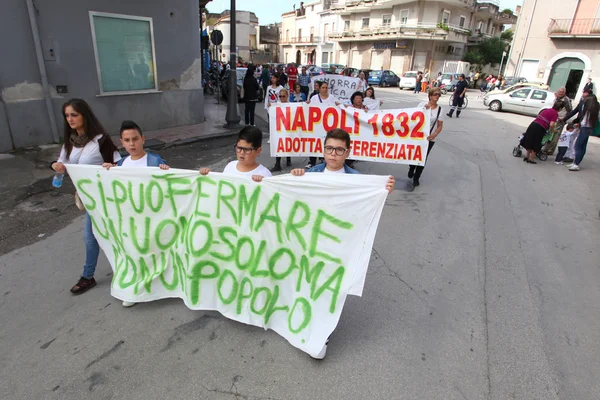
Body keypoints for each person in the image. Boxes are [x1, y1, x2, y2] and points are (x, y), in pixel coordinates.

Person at [51, 99, 121, 295]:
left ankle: (90, 276)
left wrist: (112, 167)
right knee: (95, 238)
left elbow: (119, 163)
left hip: (106, 198)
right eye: (67, 115)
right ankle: (92, 276)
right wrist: (55, 166)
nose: (70, 119)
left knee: (98, 237)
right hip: (88, 199)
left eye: (74, 115)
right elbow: (61, 163)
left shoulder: (101, 140)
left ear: (84, 115)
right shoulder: (70, 142)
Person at [101, 120, 169, 306]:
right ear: (121, 143)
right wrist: (108, 173)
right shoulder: (121, 164)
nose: (132, 144)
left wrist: (166, 172)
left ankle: (159, 285)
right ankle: (135, 290)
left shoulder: (155, 161)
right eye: (127, 140)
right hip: (129, 219)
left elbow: (170, 188)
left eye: (135, 139)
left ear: (143, 139)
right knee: (132, 254)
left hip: (151, 218)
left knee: (153, 252)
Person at [199, 126, 271, 181]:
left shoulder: (265, 175)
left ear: (258, 151)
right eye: (239, 148)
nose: (242, 153)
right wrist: (210, 175)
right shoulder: (230, 167)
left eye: (247, 150)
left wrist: (264, 184)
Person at [408, 87, 444, 187]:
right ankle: (411, 167)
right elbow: (412, 117)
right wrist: (423, 109)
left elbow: (440, 125)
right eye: (435, 94)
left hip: (429, 138)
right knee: (414, 155)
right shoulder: (422, 104)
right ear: (430, 95)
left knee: (423, 158)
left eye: (439, 95)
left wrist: (435, 134)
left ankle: (416, 177)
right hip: (417, 136)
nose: (437, 96)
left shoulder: (440, 109)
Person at [306, 81, 339, 169]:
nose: (325, 89)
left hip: (328, 125)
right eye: (323, 88)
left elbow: (338, 107)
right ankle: (312, 161)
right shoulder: (314, 98)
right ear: (319, 88)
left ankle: (324, 160)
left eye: (326, 88)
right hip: (316, 124)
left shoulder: (332, 98)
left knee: (326, 142)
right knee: (314, 142)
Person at [561, 94, 599, 170]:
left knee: (577, 146)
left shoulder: (587, 110)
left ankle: (576, 164)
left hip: (585, 128)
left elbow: (584, 121)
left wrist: (578, 126)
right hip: (588, 128)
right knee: (583, 146)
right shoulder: (594, 109)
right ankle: (576, 162)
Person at [541, 87, 572, 155]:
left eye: (562, 92)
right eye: (559, 92)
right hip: (554, 118)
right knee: (549, 134)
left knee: (555, 136)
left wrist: (564, 118)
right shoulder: (557, 98)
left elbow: (570, 111)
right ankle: (546, 148)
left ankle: (550, 150)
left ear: (564, 92)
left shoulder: (566, 100)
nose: (560, 93)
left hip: (560, 120)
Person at [269, 88, 293, 171]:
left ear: (287, 96)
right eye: (280, 96)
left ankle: (288, 159)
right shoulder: (276, 105)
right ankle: (277, 163)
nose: (282, 98)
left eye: (283, 96)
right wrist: (270, 107)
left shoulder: (291, 105)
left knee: (287, 143)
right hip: (279, 128)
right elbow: (271, 114)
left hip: (288, 128)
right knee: (278, 144)